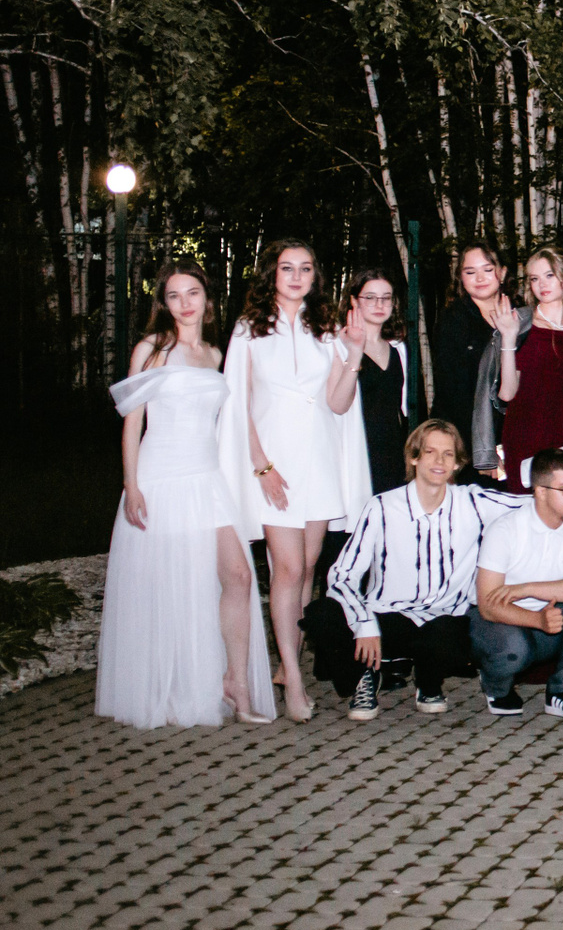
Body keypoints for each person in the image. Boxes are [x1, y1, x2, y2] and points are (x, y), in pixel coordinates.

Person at [307, 420, 563, 720]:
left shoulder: (472, 501)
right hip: (385, 618)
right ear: (414, 457)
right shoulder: (381, 507)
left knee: (453, 633)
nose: (439, 461)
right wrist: (363, 623)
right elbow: (342, 575)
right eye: (430, 451)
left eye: (448, 454)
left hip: (441, 622)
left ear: (457, 463)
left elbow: (538, 501)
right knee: (322, 615)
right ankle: (364, 675)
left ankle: (429, 682)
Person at [99, 262, 276, 728]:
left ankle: (235, 681)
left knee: (238, 576)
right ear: (164, 303)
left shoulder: (216, 354)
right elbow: (133, 423)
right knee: (173, 583)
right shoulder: (153, 350)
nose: (185, 303)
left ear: (207, 298)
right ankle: (173, 683)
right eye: (174, 295)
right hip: (161, 476)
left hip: (207, 478)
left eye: (192, 292)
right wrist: (132, 486)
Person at [219, 239, 370, 723]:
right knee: (285, 569)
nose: (297, 276)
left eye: (305, 268)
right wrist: (261, 467)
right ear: (272, 274)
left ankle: (289, 665)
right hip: (273, 466)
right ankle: (295, 680)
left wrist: (354, 353)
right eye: (288, 268)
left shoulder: (324, 328)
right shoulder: (249, 330)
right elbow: (237, 404)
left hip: (319, 461)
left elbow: (339, 404)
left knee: (306, 569)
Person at [469, 449, 563, 720]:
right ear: (540, 492)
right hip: (497, 623)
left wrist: (527, 589)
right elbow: (487, 605)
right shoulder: (505, 529)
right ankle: (496, 685)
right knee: (514, 649)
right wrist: (537, 619)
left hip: (547, 621)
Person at [474, 247, 563, 493]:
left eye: (549, 275)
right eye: (534, 279)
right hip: (523, 435)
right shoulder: (520, 323)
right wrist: (508, 338)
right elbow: (506, 393)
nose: (542, 285)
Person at [430, 243, 509, 483]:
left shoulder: (521, 316)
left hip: (513, 438)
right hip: (464, 442)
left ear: (502, 272)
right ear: (460, 278)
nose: (480, 278)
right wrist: (483, 450)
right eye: (470, 271)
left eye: (487, 269)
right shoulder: (453, 321)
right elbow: (454, 393)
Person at [342, 269, 410, 494]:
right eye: (370, 297)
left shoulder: (398, 350)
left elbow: (400, 412)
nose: (379, 304)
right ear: (354, 301)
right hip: (354, 454)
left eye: (386, 298)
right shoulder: (338, 346)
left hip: (392, 455)